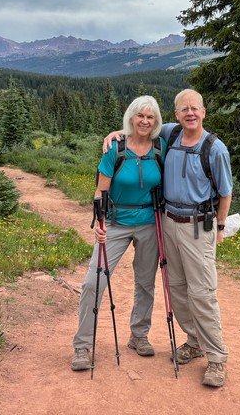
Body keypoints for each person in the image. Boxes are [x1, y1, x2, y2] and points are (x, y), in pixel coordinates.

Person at [103, 88, 233, 387]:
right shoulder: (171, 134)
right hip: (168, 222)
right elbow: (140, 129)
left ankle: (217, 358)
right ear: (176, 114)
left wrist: (220, 228)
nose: (190, 113)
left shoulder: (214, 148)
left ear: (203, 112)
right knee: (176, 288)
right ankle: (194, 341)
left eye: (195, 108)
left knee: (202, 292)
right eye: (184, 109)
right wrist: (116, 134)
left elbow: (226, 192)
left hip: (199, 226)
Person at [71, 95, 166, 371]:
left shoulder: (161, 147)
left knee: (145, 283)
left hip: (150, 222)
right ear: (131, 117)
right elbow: (100, 191)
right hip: (115, 222)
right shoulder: (115, 148)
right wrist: (100, 225)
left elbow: (187, 128)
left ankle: (139, 336)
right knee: (94, 282)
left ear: (156, 120)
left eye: (150, 117)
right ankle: (82, 345)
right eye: (140, 116)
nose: (145, 121)